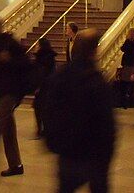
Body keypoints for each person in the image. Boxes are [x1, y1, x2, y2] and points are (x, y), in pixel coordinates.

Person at [44, 29, 115, 193]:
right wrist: (106, 155)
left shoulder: (60, 75)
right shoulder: (97, 81)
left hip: (68, 151)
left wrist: (53, 141)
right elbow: (106, 125)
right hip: (93, 154)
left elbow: (49, 111)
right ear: (94, 50)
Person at [0, 16, 30, 178]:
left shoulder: (10, 42)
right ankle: (16, 165)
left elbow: (25, 62)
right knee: (8, 129)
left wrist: (9, 60)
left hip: (11, 91)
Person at [32, 37, 56, 138]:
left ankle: (41, 129)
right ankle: (45, 129)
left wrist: (37, 86)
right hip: (49, 85)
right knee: (43, 107)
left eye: (37, 45)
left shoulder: (40, 58)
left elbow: (40, 73)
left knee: (39, 107)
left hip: (43, 86)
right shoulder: (50, 56)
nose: (36, 46)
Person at [118, 28, 134, 108]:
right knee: (132, 85)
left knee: (124, 84)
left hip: (127, 65)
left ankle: (124, 103)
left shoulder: (128, 41)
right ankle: (132, 102)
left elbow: (122, 49)